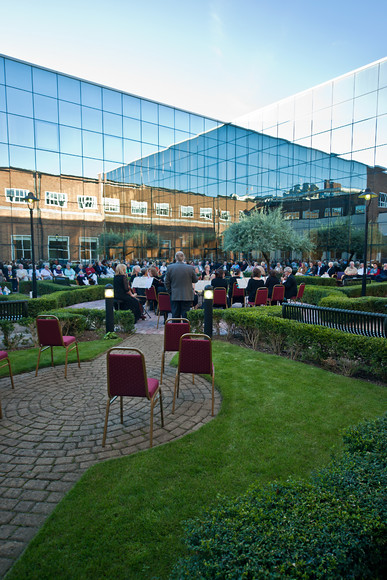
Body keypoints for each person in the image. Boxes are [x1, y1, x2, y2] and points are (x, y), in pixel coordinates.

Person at [164, 251, 198, 319]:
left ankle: (176, 329)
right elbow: (195, 280)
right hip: (187, 295)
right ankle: (185, 329)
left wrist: (170, 291)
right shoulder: (190, 268)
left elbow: (166, 282)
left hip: (175, 294)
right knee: (186, 316)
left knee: (175, 315)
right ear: (184, 258)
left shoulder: (170, 268)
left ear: (175, 258)